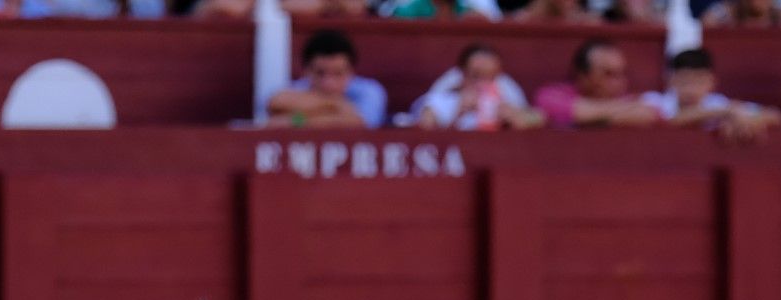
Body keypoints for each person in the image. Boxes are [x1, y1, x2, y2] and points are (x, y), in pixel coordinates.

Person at [639, 47, 781, 139]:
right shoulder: (654, 101)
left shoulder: (719, 104)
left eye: (699, 81)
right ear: (670, 80)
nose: (691, 88)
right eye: (684, 81)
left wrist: (746, 121)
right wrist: (724, 113)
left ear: (712, 82)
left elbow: (775, 116)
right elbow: (669, 121)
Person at [265, 29, 387, 129]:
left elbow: (360, 123)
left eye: (338, 74)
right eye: (320, 73)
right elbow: (275, 103)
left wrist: (298, 120)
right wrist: (334, 104)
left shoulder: (370, 91)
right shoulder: (298, 88)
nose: (328, 83)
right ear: (307, 71)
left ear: (351, 72)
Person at [533, 39, 662, 128]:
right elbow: (567, 111)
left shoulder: (632, 101)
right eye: (608, 74)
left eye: (621, 73)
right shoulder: (551, 95)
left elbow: (650, 114)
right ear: (583, 76)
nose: (619, 82)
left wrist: (593, 118)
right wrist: (621, 113)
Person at [411, 44, 544, 129]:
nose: (482, 83)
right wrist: (458, 114)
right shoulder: (441, 100)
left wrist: (514, 120)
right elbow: (425, 139)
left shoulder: (504, 98)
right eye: (476, 76)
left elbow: (539, 118)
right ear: (462, 74)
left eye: (489, 77)